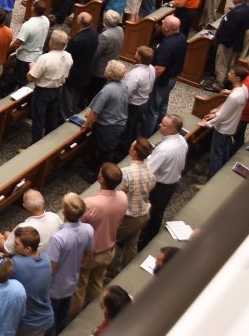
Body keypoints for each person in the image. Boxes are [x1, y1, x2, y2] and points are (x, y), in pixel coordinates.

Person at [70, 163, 127, 316]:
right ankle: (88, 314)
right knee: (96, 284)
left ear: (101, 178)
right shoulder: (122, 197)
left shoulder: (91, 204)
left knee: (79, 287)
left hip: (90, 254)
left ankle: (73, 320)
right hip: (108, 249)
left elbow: (75, 224)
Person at [46, 193, 93, 334]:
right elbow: (88, 255)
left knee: (51, 321)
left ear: (63, 210)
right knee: (63, 315)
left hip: (55, 287)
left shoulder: (58, 238)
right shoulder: (88, 229)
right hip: (72, 281)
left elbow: (51, 268)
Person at [139, 114, 189, 247]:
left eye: (164, 125)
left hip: (159, 186)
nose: (160, 125)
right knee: (158, 212)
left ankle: (143, 242)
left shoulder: (164, 149)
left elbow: (148, 171)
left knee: (150, 214)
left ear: (173, 130)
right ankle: (150, 236)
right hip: (172, 183)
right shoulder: (182, 140)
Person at [109, 138, 155, 277]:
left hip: (128, 217)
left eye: (131, 145)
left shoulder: (126, 173)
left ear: (134, 152)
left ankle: (109, 273)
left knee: (112, 242)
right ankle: (125, 274)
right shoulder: (150, 172)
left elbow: (116, 196)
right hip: (143, 213)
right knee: (131, 245)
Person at [200, 64, 249, 179]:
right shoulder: (244, 89)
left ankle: (211, 180)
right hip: (232, 125)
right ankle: (223, 171)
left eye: (231, 73)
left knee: (216, 155)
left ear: (237, 78)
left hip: (223, 127)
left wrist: (207, 124)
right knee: (225, 150)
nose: (228, 74)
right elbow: (228, 109)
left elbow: (222, 116)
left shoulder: (235, 96)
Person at [203, 0, 249, 92]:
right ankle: (226, 81)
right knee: (229, 63)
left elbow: (229, 30)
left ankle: (218, 85)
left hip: (227, 43)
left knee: (221, 62)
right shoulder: (246, 8)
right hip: (235, 42)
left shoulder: (236, 13)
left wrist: (221, 40)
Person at [142, 17, 187, 136]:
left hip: (162, 81)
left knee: (152, 109)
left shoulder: (167, 44)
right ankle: (160, 127)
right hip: (172, 78)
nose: (161, 24)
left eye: (163, 23)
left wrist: (150, 81)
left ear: (167, 28)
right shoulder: (182, 37)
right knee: (163, 105)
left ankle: (147, 136)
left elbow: (159, 69)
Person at [9, 226, 55, 336]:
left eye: (16, 244)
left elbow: (1, 279)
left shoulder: (16, 263)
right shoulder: (46, 258)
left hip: (28, 324)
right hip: (46, 318)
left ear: (28, 249)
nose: (13, 246)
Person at [28, 29, 72, 142]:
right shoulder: (68, 56)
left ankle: (35, 145)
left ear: (50, 43)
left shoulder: (45, 58)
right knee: (51, 118)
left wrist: (32, 67)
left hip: (43, 92)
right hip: (58, 89)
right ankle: (48, 142)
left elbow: (31, 78)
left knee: (38, 120)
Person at [84, 61, 129, 168]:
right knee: (109, 148)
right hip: (120, 123)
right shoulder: (123, 84)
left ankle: (98, 172)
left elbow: (94, 112)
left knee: (103, 152)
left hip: (107, 127)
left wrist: (86, 124)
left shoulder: (107, 90)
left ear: (109, 74)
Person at [0, 189, 62, 255]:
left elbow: (7, 250)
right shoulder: (54, 216)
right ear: (43, 201)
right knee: (7, 234)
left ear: (24, 206)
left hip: (29, 260)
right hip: (53, 253)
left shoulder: (23, 228)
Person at [119, 47, 155, 150]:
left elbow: (126, 93)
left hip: (132, 106)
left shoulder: (136, 74)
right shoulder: (151, 68)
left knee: (127, 130)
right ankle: (133, 145)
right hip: (143, 102)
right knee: (135, 128)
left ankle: (122, 153)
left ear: (138, 57)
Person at [10, 0, 50, 88]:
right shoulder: (46, 20)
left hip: (25, 58)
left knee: (21, 81)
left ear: (32, 8)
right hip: (38, 55)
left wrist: (8, 49)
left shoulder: (28, 25)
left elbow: (17, 43)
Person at [63, 13, 99, 114]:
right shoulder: (94, 33)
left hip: (73, 72)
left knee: (67, 97)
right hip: (85, 70)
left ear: (79, 22)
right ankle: (73, 112)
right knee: (76, 95)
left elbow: (67, 55)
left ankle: (66, 117)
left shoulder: (76, 40)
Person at [87, 11, 123, 104]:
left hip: (100, 69)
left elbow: (96, 53)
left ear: (106, 20)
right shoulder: (120, 29)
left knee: (94, 91)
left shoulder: (105, 35)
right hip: (112, 63)